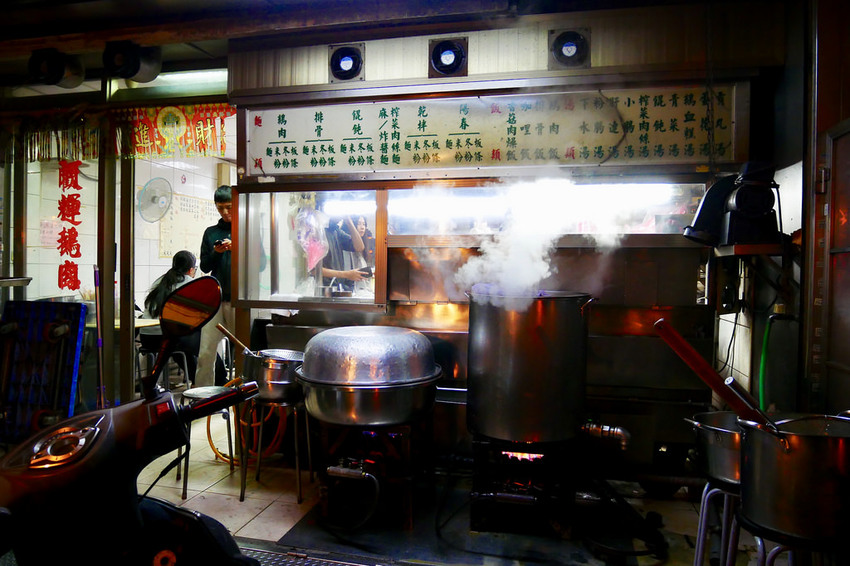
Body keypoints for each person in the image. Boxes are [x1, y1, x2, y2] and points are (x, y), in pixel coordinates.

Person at [141, 250, 199, 384]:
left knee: (183, 342)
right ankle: (200, 382)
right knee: (199, 344)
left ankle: (154, 383)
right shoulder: (190, 283)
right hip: (168, 339)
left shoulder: (160, 280)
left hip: (147, 338)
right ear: (191, 269)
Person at [196, 185, 235, 386]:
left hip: (239, 300)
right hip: (216, 300)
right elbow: (204, 266)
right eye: (220, 208)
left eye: (228, 207)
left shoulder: (246, 229)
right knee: (206, 352)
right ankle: (202, 401)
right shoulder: (210, 233)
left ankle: (245, 399)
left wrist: (236, 247)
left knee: (244, 352)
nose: (225, 212)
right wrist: (217, 252)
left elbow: (261, 263)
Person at [321, 215, 368, 293]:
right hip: (323, 288)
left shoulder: (337, 232)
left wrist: (349, 222)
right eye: (359, 223)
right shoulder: (320, 231)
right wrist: (347, 274)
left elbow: (359, 247)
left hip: (337, 288)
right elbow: (315, 270)